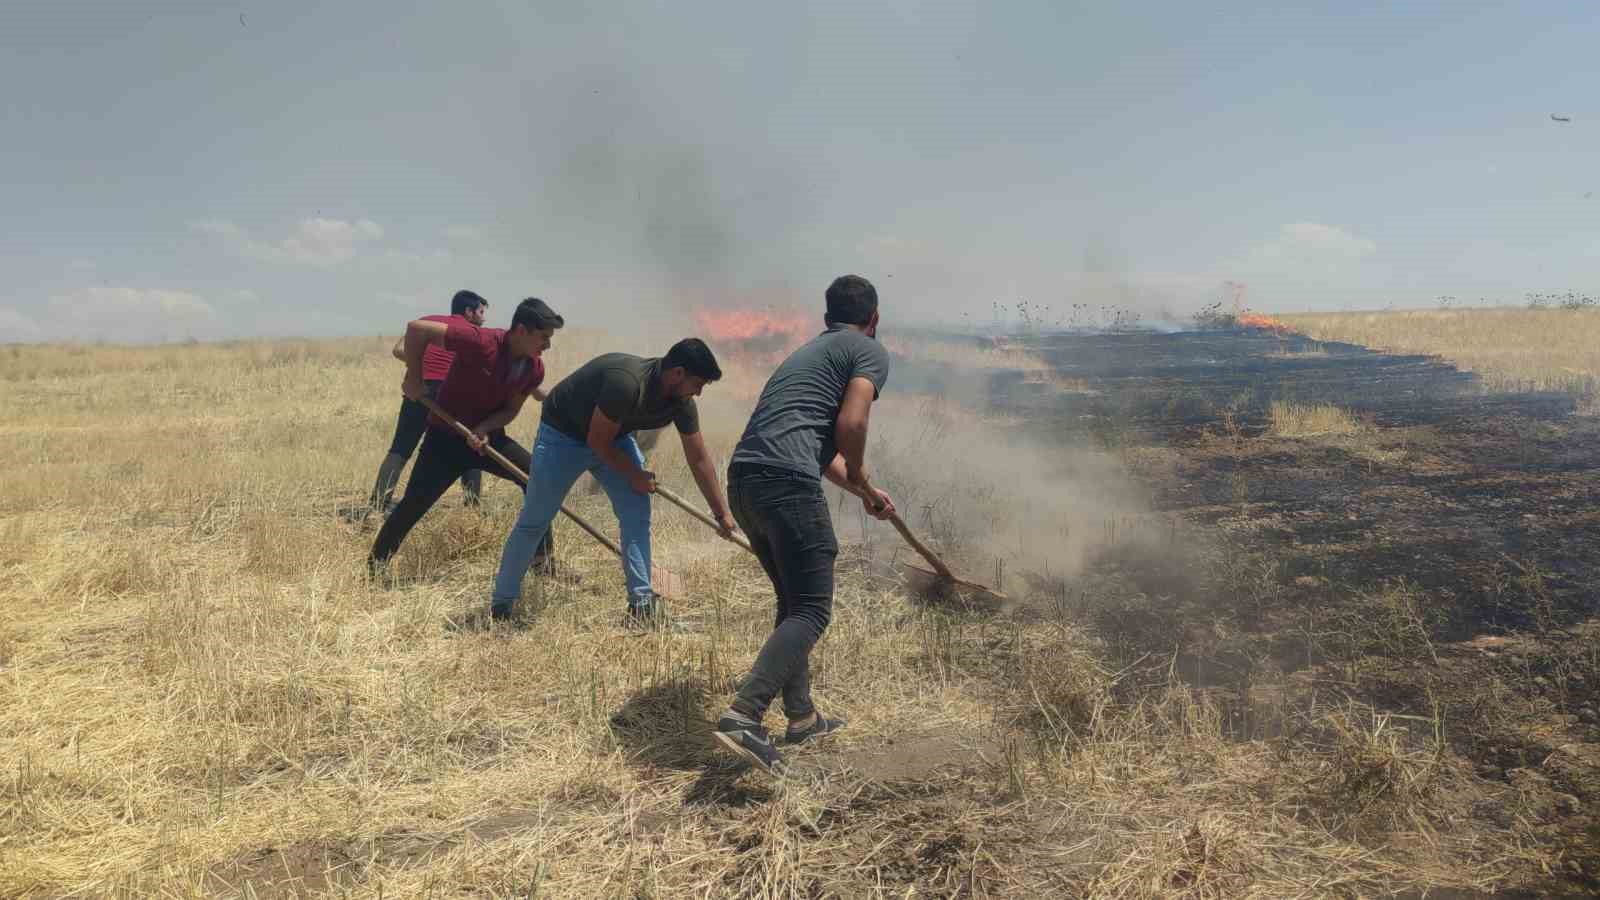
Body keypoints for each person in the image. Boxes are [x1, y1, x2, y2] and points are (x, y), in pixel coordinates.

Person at [712, 275, 896, 776]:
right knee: (812, 609)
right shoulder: (867, 350)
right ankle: (744, 715)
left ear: (826, 317)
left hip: (746, 479)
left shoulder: (810, 354)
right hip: (785, 485)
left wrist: (865, 492)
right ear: (874, 318)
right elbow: (851, 426)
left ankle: (802, 717)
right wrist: (860, 473)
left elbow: (813, 449)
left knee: (793, 604)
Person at [487, 339, 734, 626]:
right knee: (535, 521)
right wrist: (634, 475)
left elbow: (699, 458)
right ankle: (501, 607)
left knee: (636, 515)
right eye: (698, 384)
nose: (699, 393)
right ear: (677, 373)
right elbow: (596, 441)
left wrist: (722, 512)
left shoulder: (682, 403)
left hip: (614, 438)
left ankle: (641, 606)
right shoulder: (626, 383)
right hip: (563, 437)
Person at [368, 297, 565, 576]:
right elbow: (416, 329)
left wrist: (484, 429)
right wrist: (415, 376)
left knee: (536, 480)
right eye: (543, 337)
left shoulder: (534, 368)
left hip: (488, 440)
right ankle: (374, 568)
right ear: (521, 330)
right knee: (413, 504)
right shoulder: (480, 341)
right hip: (444, 440)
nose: (547, 345)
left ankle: (543, 566)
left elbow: (510, 409)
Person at [345, 291, 489, 523]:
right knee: (471, 448)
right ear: (468, 312)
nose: (483, 319)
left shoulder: (427, 322)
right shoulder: (472, 333)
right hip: (452, 394)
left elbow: (398, 350)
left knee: (400, 450)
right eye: (481, 312)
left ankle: (377, 507)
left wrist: (420, 368)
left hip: (420, 391)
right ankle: (473, 511)